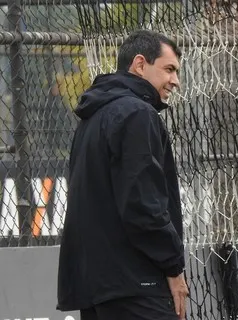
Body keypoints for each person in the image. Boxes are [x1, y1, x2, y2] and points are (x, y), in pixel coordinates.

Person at [57, 30, 189, 320]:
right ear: (140, 64)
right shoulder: (137, 113)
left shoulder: (93, 116)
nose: (175, 81)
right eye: (169, 69)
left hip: (96, 287)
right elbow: (143, 205)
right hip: (135, 284)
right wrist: (173, 267)